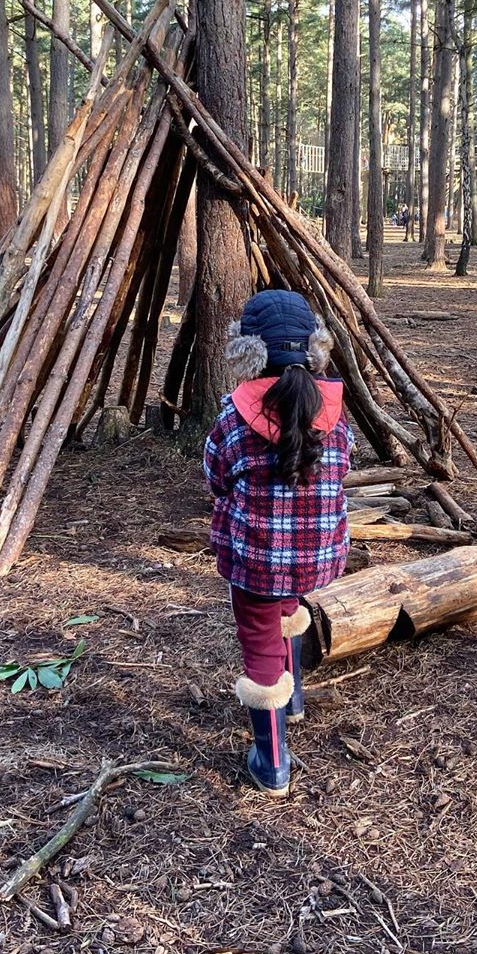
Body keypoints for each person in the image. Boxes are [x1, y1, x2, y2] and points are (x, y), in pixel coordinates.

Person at [204, 290, 354, 797]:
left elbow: (216, 477)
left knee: (260, 635)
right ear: (312, 349)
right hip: (318, 558)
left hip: (257, 564)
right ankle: (294, 702)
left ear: (249, 351)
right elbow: (343, 470)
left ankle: (272, 763)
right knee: (285, 603)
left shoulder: (234, 415)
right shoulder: (332, 412)